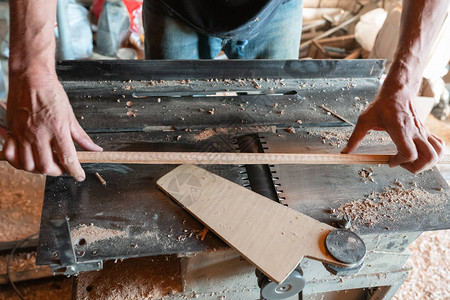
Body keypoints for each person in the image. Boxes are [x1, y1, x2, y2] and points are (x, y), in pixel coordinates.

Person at [4, 0, 448, 181]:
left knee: (277, 125)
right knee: (170, 128)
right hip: (178, 5)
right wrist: (32, 71)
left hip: (276, 7)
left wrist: (404, 83)